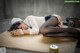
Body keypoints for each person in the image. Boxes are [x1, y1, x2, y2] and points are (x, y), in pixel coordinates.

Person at [9, 14, 80, 36]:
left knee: (42, 30)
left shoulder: (28, 18)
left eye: (21, 27)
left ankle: (73, 30)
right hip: (50, 25)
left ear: (21, 21)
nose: (24, 29)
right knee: (45, 34)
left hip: (52, 17)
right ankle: (71, 34)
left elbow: (36, 31)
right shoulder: (27, 27)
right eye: (21, 29)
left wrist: (22, 32)